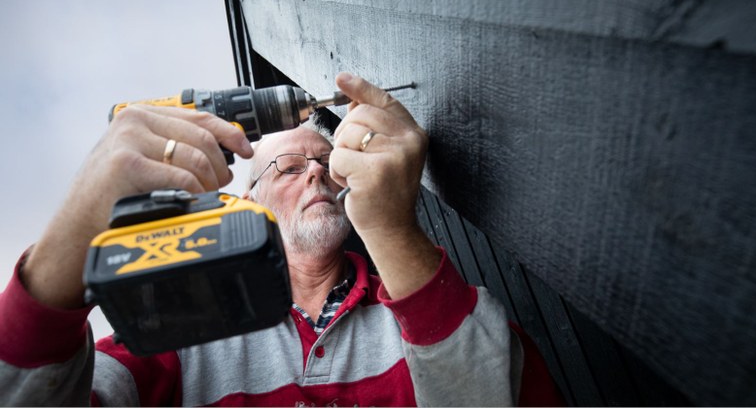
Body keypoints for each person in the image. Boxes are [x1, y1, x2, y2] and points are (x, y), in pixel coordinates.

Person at [0, 72, 557, 406]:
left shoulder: (422, 318)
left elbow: (509, 392)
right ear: (249, 204)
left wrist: (392, 230)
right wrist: (73, 233)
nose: (315, 173)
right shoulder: (183, 335)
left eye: (324, 162)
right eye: (288, 168)